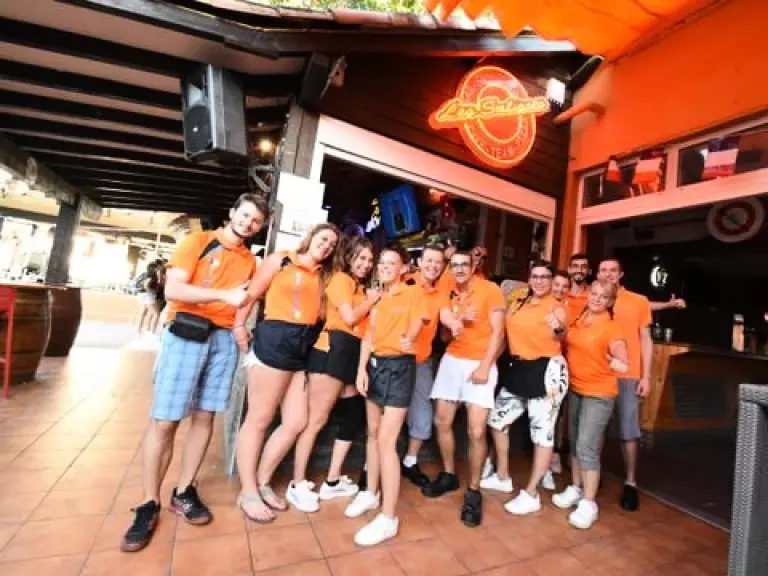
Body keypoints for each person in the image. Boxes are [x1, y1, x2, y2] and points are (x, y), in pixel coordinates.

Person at [120, 193, 268, 553]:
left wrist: (240, 326)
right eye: (245, 215)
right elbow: (174, 289)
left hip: (223, 341)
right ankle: (149, 502)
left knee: (205, 417)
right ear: (232, 212)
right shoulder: (198, 241)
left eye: (255, 221)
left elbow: (244, 302)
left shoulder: (250, 260)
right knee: (165, 420)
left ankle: (184, 490)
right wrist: (224, 296)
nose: (248, 223)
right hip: (186, 331)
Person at [234, 223, 339, 523]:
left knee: (296, 421)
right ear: (311, 236)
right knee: (259, 419)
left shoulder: (323, 275)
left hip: (301, 347)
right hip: (275, 339)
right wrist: (239, 325)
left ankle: (262, 482)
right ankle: (248, 492)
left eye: (332, 244)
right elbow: (251, 294)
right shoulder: (280, 260)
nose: (326, 246)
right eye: (324, 239)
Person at [345, 244, 429, 546]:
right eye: (382, 262)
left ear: (404, 268)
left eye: (391, 263)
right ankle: (370, 492)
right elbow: (368, 335)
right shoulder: (376, 296)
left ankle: (388, 517)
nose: (384, 267)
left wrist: (410, 338)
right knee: (372, 432)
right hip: (375, 366)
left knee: (386, 440)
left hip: (400, 368)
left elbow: (419, 320)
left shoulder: (413, 292)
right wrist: (361, 369)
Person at [287, 236, 379, 511]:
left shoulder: (360, 287)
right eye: (361, 258)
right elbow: (350, 317)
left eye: (370, 259)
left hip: (352, 352)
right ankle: (297, 483)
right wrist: (372, 300)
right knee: (316, 420)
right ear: (349, 257)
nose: (366, 264)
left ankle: (333, 479)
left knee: (353, 414)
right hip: (333, 348)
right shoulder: (340, 280)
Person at [424, 249, 506, 528]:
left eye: (464, 265)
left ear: (473, 268)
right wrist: (458, 321)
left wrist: (485, 366)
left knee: (476, 430)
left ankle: (474, 490)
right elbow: (445, 333)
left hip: (480, 362)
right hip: (452, 360)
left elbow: (499, 332)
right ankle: (449, 474)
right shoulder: (448, 292)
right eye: (454, 265)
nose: (459, 269)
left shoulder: (490, 290)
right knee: (442, 421)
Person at [482, 262, 568, 516]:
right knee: (497, 421)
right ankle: (502, 476)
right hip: (518, 368)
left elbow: (561, 332)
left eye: (545, 277)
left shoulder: (556, 306)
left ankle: (531, 494)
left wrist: (557, 327)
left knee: (542, 434)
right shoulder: (520, 301)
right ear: (529, 279)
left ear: (551, 281)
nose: (540, 281)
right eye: (535, 276)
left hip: (547, 371)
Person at [553, 279, 628, 529]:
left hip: (599, 393)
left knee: (587, 446)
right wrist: (558, 330)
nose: (597, 299)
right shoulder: (581, 318)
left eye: (603, 296)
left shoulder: (612, 327)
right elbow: (568, 339)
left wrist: (620, 362)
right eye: (594, 293)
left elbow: (622, 356)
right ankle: (576, 488)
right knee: (575, 441)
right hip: (576, 388)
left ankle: (589, 502)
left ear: (610, 302)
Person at [596, 257, 651, 512]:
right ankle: (593, 475)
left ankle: (630, 482)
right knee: (595, 428)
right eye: (603, 270)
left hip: (629, 375)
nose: (608, 274)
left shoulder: (638, 301)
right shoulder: (594, 299)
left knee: (628, 431)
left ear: (620, 274)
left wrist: (646, 376)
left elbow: (646, 340)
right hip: (598, 373)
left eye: (613, 270)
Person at [400, 243, 447, 487]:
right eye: (429, 260)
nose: (433, 266)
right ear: (419, 262)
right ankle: (371, 466)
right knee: (387, 414)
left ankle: (410, 460)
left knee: (423, 413)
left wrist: (456, 323)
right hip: (396, 358)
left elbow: (446, 315)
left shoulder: (441, 293)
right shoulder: (405, 283)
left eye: (438, 262)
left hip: (421, 361)